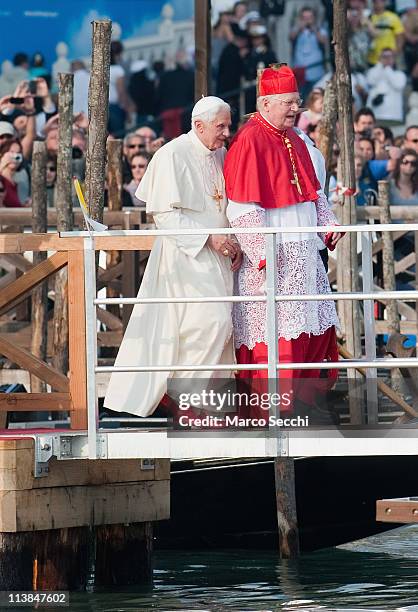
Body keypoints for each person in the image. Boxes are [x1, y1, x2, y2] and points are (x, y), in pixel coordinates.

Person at [104, 96, 242, 418]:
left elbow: (221, 207)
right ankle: (187, 404)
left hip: (218, 255)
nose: (226, 132)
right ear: (199, 125)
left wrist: (232, 241)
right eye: (220, 126)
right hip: (186, 256)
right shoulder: (171, 155)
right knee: (207, 324)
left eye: (227, 125)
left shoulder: (220, 153)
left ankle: (212, 409)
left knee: (223, 330)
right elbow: (164, 215)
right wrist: (209, 237)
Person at [223, 64, 343, 420]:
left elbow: (314, 192)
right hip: (274, 259)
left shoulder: (296, 138)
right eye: (289, 103)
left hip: (304, 252)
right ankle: (273, 416)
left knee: (309, 333)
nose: (295, 109)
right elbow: (242, 206)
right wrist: (262, 253)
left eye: (297, 102)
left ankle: (306, 410)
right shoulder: (249, 140)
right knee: (276, 341)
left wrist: (328, 224)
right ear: (266, 103)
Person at [366, 48, 407, 124]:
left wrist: (387, 68)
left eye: (390, 56)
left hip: (393, 116)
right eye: (384, 56)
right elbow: (370, 81)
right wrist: (379, 65)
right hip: (375, 115)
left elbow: (398, 84)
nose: (387, 59)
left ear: (394, 58)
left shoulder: (400, 75)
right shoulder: (373, 71)